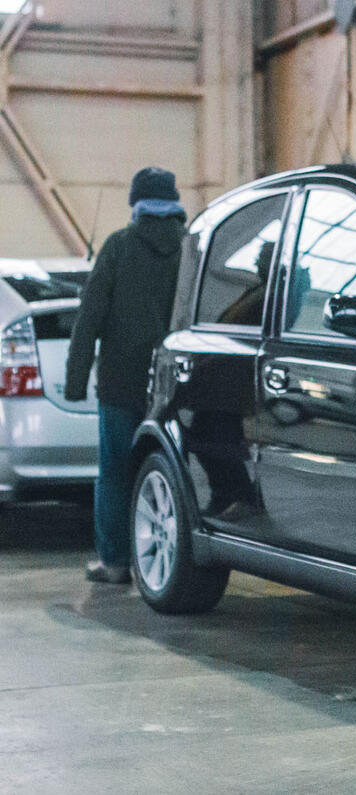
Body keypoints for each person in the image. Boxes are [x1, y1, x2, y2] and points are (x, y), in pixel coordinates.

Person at [64, 167, 187, 584]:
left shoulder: (119, 246)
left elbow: (89, 317)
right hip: (175, 384)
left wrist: (76, 379)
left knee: (115, 472)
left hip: (120, 383)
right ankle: (165, 560)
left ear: (137, 204)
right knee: (170, 475)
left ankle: (115, 562)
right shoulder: (192, 250)